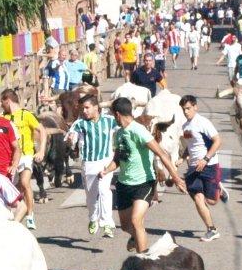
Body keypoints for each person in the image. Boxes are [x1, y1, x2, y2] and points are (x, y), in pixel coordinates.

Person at [105, 96, 185, 255]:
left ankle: (143, 261)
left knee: (136, 221)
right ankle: (135, 238)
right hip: (123, 184)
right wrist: (106, 170)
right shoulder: (119, 134)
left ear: (117, 114)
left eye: (114, 115)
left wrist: (176, 178)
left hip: (144, 183)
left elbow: (162, 154)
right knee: (126, 226)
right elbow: (118, 159)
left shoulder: (139, 130)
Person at [67, 95, 117, 238]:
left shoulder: (110, 121)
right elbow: (72, 141)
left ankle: (107, 223)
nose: (85, 111)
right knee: (90, 196)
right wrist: (71, 141)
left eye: (87, 107)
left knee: (104, 190)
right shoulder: (79, 124)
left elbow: (123, 128)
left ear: (96, 107)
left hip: (106, 162)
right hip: (88, 164)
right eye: (83, 108)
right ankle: (93, 218)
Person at [178, 96, 223, 242]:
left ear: (195, 107)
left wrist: (206, 159)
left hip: (209, 165)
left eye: (188, 108)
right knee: (198, 198)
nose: (186, 112)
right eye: (183, 109)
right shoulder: (185, 126)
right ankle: (212, 229)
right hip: (193, 168)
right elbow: (189, 146)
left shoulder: (203, 122)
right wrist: (182, 157)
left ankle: (219, 189)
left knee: (211, 201)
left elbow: (217, 141)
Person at [1, 89, 45, 230]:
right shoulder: (3, 118)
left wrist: (41, 150)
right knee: (12, 188)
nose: (1, 106)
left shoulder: (26, 115)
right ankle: (14, 213)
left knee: (25, 182)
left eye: (2, 102)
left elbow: (42, 130)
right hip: (11, 157)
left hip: (26, 155)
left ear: (8, 100)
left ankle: (30, 215)